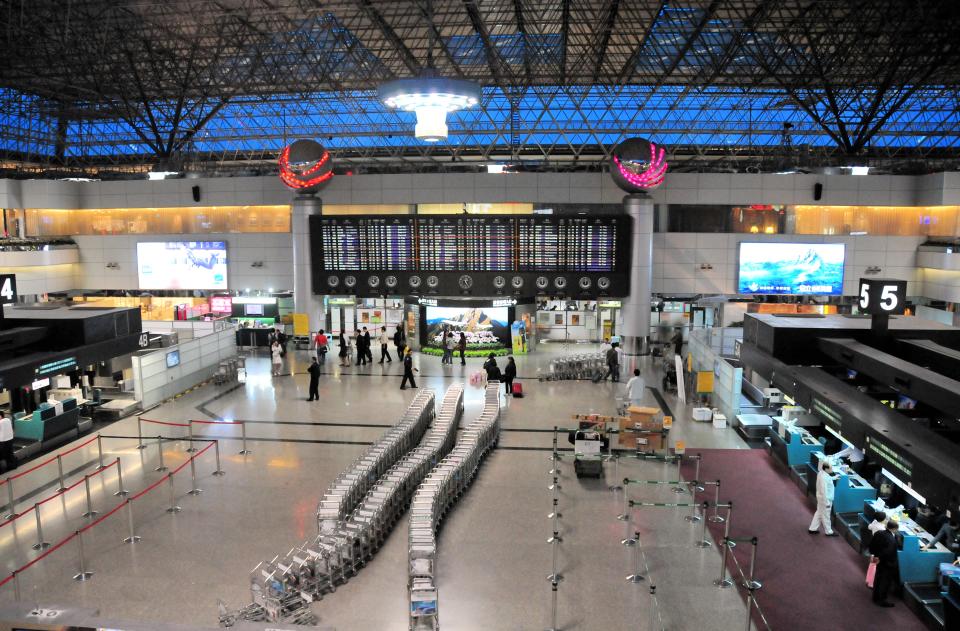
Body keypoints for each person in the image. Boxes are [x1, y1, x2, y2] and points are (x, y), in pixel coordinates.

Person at [869, 520, 902, 607]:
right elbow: (887, 552)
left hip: (880, 561)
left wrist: (876, 556)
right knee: (885, 582)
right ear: (895, 529)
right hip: (888, 564)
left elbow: (872, 545)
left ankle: (875, 597)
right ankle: (882, 600)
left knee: (878, 579)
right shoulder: (892, 540)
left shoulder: (879, 533)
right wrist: (880, 557)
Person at [808, 459, 838, 536]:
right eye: (831, 468)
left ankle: (812, 528)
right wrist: (827, 502)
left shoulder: (821, 473)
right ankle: (829, 532)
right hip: (825, 500)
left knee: (819, 513)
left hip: (821, 499)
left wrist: (834, 478)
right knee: (826, 516)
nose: (832, 469)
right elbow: (824, 491)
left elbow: (827, 479)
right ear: (826, 469)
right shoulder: (824, 477)